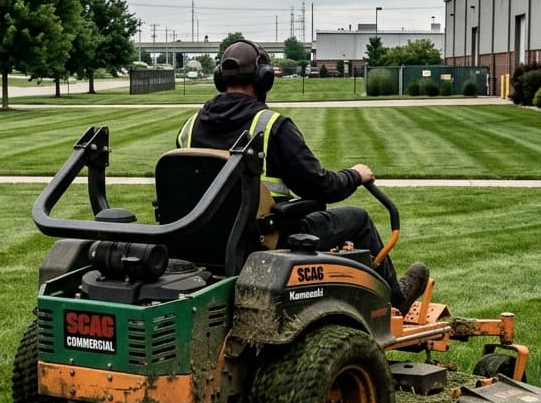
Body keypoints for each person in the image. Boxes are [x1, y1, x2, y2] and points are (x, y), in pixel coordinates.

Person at [176, 38, 429, 312]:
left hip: (199, 242)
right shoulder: (272, 126)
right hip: (264, 241)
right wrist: (356, 175)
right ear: (264, 79)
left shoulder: (189, 128)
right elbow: (320, 187)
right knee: (359, 219)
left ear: (219, 79)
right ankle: (395, 302)